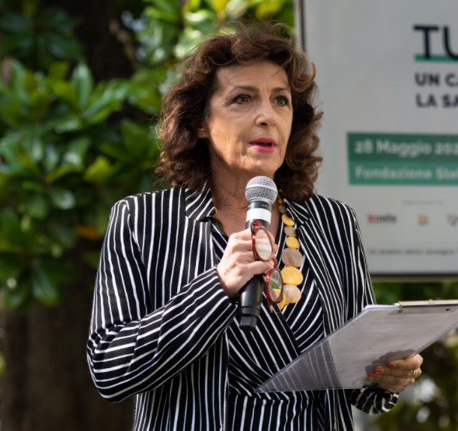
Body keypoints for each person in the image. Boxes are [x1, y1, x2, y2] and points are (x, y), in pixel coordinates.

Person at [87, 21, 423, 430]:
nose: (267, 116)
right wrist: (217, 288)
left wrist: (385, 377)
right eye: (242, 99)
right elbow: (110, 370)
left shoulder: (333, 222)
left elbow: (359, 383)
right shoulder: (143, 221)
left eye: (280, 100)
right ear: (200, 122)